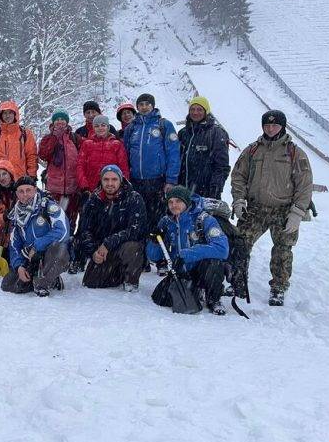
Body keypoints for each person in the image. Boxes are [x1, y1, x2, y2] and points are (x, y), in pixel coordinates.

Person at [230, 110, 313, 306]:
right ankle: (237, 281)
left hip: (283, 210)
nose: (270, 128)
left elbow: (304, 184)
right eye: (266, 125)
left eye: (274, 125)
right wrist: (239, 200)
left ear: (282, 127)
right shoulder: (252, 150)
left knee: (283, 250)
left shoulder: (294, 153)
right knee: (240, 243)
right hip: (256, 208)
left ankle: (278, 287)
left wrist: (297, 212)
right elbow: (238, 176)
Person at [148, 186, 229, 315]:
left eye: (178, 201)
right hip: (179, 271)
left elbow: (222, 249)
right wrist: (154, 242)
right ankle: (194, 290)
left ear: (187, 201)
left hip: (201, 269)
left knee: (214, 263)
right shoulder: (166, 222)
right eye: (170, 202)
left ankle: (214, 299)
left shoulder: (204, 220)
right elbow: (153, 257)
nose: (174, 205)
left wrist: (187, 254)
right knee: (161, 299)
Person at [75, 165, 146, 291]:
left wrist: (109, 243)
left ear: (121, 180)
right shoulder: (93, 200)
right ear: (101, 181)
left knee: (133, 247)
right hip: (102, 251)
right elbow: (84, 230)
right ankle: (117, 273)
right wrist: (93, 252)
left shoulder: (134, 198)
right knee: (90, 283)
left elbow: (136, 230)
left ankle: (131, 281)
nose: (110, 183)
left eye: (114, 179)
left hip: (122, 246)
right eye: (106, 179)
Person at [122, 93, 181, 237]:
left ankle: (157, 249)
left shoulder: (163, 124)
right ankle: (140, 249)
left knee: (158, 219)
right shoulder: (132, 128)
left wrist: (171, 180)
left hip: (157, 181)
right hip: (136, 181)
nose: (144, 107)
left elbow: (173, 152)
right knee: (138, 217)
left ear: (152, 106)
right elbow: (126, 153)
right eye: (141, 104)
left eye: (147, 104)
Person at [2, 177, 70, 297]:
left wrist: (37, 245)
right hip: (30, 257)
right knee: (8, 284)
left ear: (35, 190)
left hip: (48, 253)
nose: (25, 195)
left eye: (28, 190)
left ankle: (43, 282)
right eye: (21, 191)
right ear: (17, 194)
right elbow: (14, 245)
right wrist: (18, 266)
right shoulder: (15, 214)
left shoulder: (47, 206)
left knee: (60, 251)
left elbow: (63, 231)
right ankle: (42, 277)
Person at [178, 96, 230, 200]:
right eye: (192, 109)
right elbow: (176, 160)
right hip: (183, 191)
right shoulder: (183, 133)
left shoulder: (216, 133)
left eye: (199, 109)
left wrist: (215, 189)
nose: (195, 113)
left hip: (206, 192)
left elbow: (221, 166)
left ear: (206, 111)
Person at [0, 100, 38, 190]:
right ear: (0, 116)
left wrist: (31, 176)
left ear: (15, 114)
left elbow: (31, 157)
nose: (7, 116)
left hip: (20, 180)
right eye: (4, 113)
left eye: (10, 113)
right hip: (0, 181)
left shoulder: (25, 134)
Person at [38, 109, 80, 228]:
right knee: (53, 220)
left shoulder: (75, 138)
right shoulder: (48, 138)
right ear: (53, 122)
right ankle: (54, 245)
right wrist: (54, 138)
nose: (60, 121)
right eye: (57, 119)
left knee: (70, 221)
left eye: (62, 119)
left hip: (72, 189)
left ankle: (68, 243)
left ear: (67, 122)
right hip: (54, 189)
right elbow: (43, 155)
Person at [76, 115, 130, 193]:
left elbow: (123, 167)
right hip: (91, 188)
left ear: (108, 127)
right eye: (97, 126)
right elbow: (80, 165)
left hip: (112, 187)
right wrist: (84, 185)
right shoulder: (87, 144)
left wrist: (123, 185)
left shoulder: (116, 144)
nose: (100, 128)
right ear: (94, 128)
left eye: (103, 125)